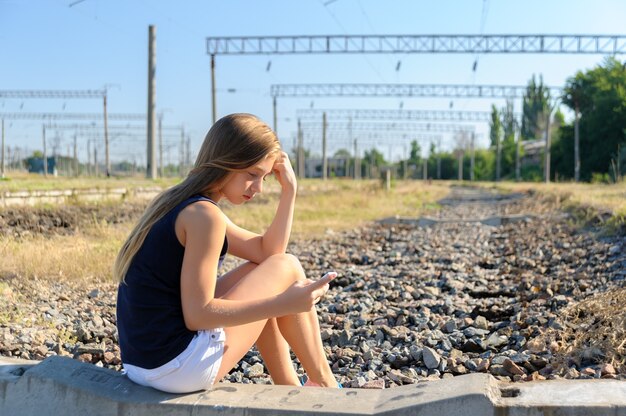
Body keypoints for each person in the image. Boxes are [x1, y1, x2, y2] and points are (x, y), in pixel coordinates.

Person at [114, 113, 340, 394]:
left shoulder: (185, 204)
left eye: (265, 178)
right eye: (252, 175)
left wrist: (289, 192)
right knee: (288, 267)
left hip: (142, 363)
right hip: (174, 367)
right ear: (226, 162)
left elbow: (267, 252)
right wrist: (284, 303)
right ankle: (329, 388)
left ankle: (293, 389)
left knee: (269, 270)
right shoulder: (204, 217)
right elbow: (198, 315)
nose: (258, 188)